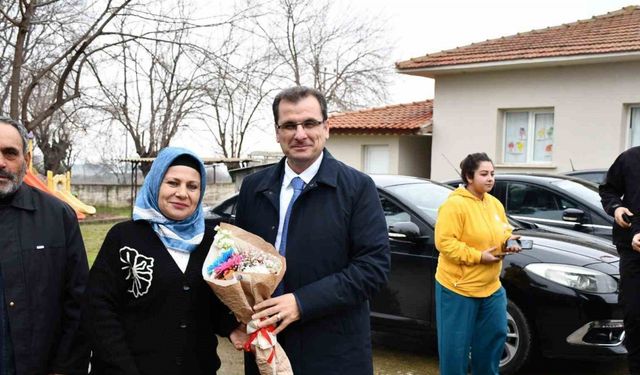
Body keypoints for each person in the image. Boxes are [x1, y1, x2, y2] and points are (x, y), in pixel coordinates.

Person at [235, 86, 390, 375]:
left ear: (326, 127)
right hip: (266, 347)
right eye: (290, 125)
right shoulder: (254, 188)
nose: (300, 134)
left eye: (309, 123)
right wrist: (237, 320)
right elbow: (236, 263)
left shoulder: (357, 188)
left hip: (332, 351)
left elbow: (373, 268)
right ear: (277, 131)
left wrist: (301, 302)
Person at [84, 147, 246, 374]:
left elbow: (212, 305)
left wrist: (232, 327)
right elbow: (99, 310)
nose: (182, 193)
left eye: (192, 186)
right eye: (173, 183)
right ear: (156, 183)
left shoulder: (213, 242)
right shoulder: (124, 237)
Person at [0, 117, 89, 374]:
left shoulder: (57, 216)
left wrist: (64, 368)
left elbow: (79, 302)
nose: (1, 162)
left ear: (26, 162)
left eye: (10, 153)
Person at [434, 152, 520, 375]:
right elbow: (444, 243)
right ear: (469, 177)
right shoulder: (454, 206)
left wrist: (509, 240)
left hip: (491, 287)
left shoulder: (494, 204)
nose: (490, 178)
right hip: (458, 288)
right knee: (455, 350)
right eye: (484, 174)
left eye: (492, 173)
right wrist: (478, 256)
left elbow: (503, 230)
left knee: (493, 340)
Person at [599, 145, 640, 375]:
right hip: (631, 253)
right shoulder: (629, 158)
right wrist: (616, 208)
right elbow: (608, 190)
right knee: (634, 315)